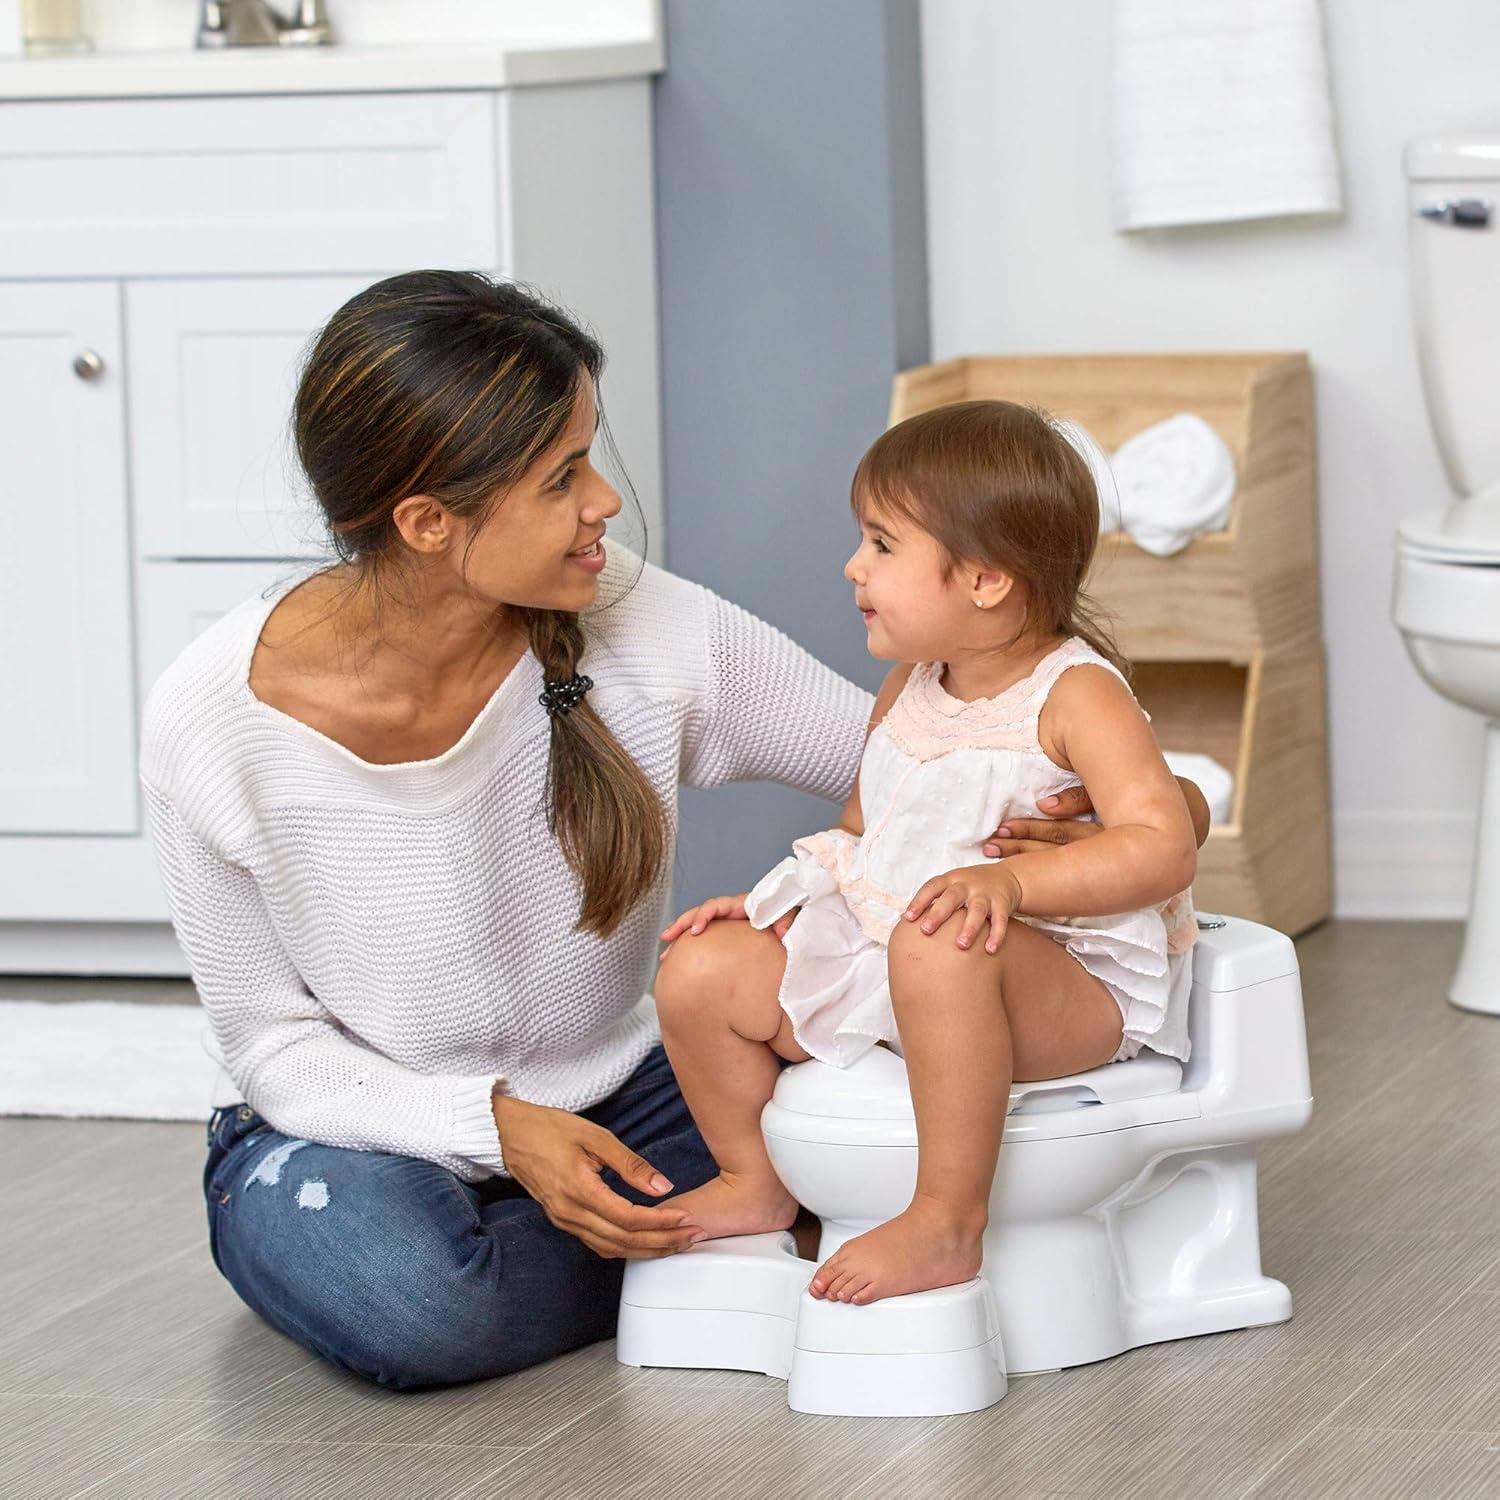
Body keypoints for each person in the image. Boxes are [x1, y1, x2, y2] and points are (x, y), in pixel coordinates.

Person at [142, 271, 1208, 1389]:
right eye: (563, 477)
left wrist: (1148, 809)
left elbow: (920, 766)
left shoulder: (636, 618)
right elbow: (270, 1049)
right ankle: (752, 1239)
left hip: (623, 1091)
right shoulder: (212, 723)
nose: (604, 500)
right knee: (413, 1297)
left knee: (758, 1049)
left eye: (592, 456)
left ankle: (738, 1238)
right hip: (356, 1125)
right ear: (426, 523)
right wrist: (502, 1131)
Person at [655, 400, 1200, 1307]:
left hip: (1064, 987)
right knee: (700, 971)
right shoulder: (912, 683)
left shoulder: (1076, 696)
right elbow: (868, 836)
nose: (852, 567)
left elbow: (1162, 846)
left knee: (941, 938)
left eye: (880, 545)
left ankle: (949, 1217)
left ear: (985, 579)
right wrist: (781, 907)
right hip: (908, 954)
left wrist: (1014, 881)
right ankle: (757, 1182)